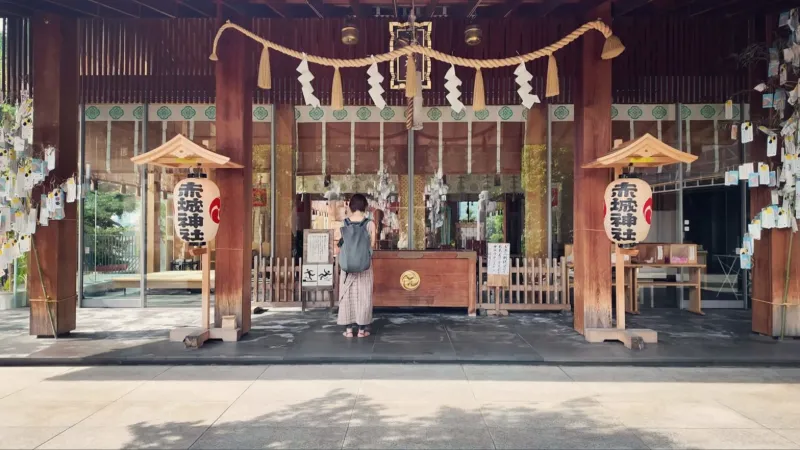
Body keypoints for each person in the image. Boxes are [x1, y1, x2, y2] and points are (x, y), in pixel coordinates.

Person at [337, 194, 377, 338]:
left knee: (347, 295)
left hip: (347, 266)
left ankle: (348, 330)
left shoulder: (344, 223)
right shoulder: (370, 224)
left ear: (351, 207)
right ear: (365, 206)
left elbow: (340, 245)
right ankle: (361, 330)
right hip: (364, 265)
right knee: (364, 295)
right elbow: (372, 245)